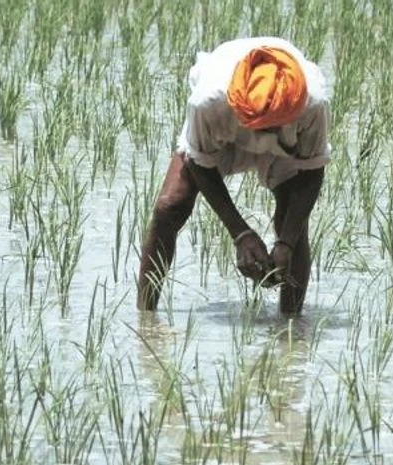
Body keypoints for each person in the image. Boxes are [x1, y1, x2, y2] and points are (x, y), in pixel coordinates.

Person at [137, 37, 331, 314]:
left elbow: (313, 172)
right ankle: (146, 318)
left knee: (293, 222)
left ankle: (290, 332)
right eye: (266, 127)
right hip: (227, 133)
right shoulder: (208, 102)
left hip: (285, 147)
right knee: (169, 205)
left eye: (276, 126)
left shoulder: (311, 103)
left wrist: (286, 242)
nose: (269, 133)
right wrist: (241, 234)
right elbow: (200, 163)